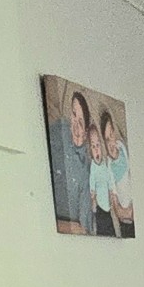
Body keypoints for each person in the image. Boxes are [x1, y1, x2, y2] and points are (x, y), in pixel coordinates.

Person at [48, 89, 93, 234]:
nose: (75, 125)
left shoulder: (85, 170)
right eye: (74, 115)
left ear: (86, 132)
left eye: (81, 122)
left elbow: (83, 228)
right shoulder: (59, 127)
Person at [102, 111, 133, 238]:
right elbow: (117, 209)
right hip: (126, 220)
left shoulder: (122, 147)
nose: (111, 143)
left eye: (111, 135)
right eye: (107, 139)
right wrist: (129, 213)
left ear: (114, 133)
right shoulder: (108, 167)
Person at [87, 114, 116, 237]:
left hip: (108, 205)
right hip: (99, 206)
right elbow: (92, 183)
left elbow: (110, 179)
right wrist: (93, 199)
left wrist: (111, 192)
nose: (96, 149)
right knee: (102, 228)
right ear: (90, 149)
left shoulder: (105, 164)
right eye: (93, 146)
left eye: (98, 145)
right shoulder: (93, 167)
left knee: (111, 229)